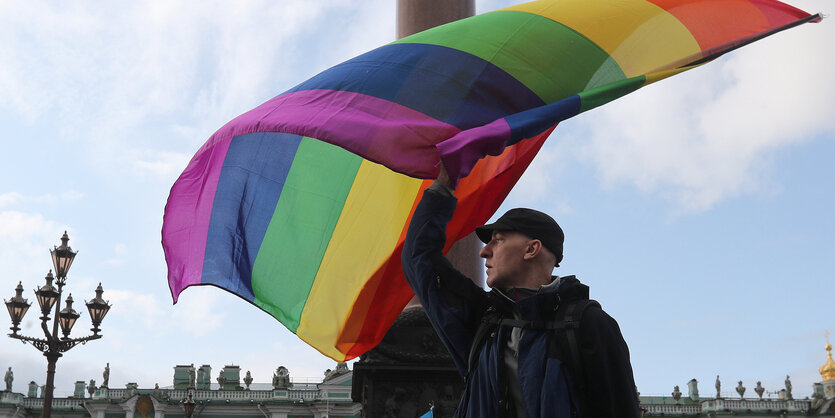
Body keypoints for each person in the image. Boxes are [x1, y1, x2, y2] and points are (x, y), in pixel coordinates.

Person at [402, 165, 640, 417]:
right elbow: (419, 261)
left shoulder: (589, 325)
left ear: (531, 249)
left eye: (498, 239)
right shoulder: (481, 319)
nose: (484, 251)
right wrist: (443, 186)